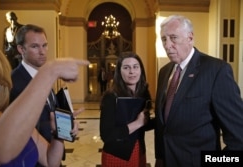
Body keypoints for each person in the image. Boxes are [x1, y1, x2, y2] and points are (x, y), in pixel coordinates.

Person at [154, 15, 243, 167]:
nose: (167, 45)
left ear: (190, 38)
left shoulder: (216, 71)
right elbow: (166, 123)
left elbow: (239, 136)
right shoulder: (164, 72)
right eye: (164, 39)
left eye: (173, 38)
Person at [0, 44, 89, 166]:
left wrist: (58, 134)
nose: (42, 51)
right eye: (34, 46)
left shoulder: (9, 119)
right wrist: (49, 71)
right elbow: (1, 152)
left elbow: (50, 162)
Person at [9, 24, 63, 166]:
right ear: (21, 49)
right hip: (34, 160)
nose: (42, 51)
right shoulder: (14, 83)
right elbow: (21, 129)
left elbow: (49, 112)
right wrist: (57, 129)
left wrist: (65, 126)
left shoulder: (43, 75)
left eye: (45, 45)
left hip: (53, 152)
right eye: (35, 46)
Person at [99, 52, 153, 167]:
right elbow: (107, 136)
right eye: (126, 68)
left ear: (141, 70)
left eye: (135, 67)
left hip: (139, 151)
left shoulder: (143, 93)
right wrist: (138, 123)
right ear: (119, 72)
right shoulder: (111, 96)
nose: (132, 71)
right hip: (117, 155)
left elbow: (145, 124)